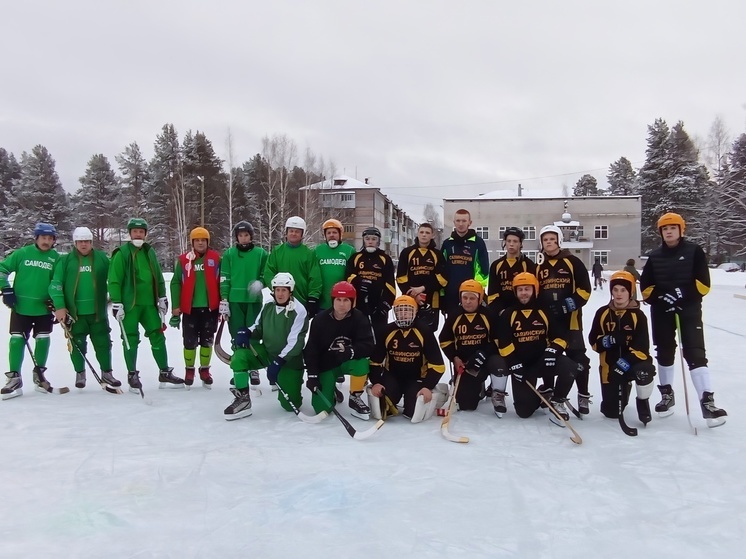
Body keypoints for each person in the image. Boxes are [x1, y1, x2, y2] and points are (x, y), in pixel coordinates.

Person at [640, 212, 727, 427]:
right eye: (665, 229)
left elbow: (703, 284)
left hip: (688, 310)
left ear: (681, 230)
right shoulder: (654, 256)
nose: (669, 232)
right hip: (662, 311)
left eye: (673, 228)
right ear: (661, 232)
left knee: (695, 352)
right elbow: (646, 287)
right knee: (664, 351)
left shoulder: (694, 251)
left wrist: (681, 294)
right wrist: (661, 298)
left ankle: (707, 401)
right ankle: (667, 395)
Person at [108, 218, 183, 392]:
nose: (138, 234)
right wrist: (117, 302)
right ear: (130, 233)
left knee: (157, 335)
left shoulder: (149, 252)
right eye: (135, 231)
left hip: (149, 304)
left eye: (141, 231)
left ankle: (164, 371)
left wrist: (162, 297)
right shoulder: (122, 253)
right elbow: (114, 280)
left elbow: (157, 274)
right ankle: (132, 374)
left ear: (146, 234)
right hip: (130, 305)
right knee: (130, 339)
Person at [496, 272, 579, 423]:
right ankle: (543, 394)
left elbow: (562, 336)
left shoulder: (545, 311)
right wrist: (513, 363)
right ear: (515, 292)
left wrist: (553, 350)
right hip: (522, 367)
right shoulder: (508, 314)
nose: (523, 293)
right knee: (523, 412)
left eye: (527, 289)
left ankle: (557, 401)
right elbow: (503, 343)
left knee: (570, 366)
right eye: (520, 290)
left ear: (535, 290)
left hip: (543, 361)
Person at [224, 273, 309, 420]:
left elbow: (295, 343)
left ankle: (292, 383)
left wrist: (279, 362)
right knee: (239, 356)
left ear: (290, 291)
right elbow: (258, 327)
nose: (280, 294)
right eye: (277, 290)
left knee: (289, 406)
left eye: (284, 290)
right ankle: (243, 399)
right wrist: (247, 332)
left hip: (288, 361)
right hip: (268, 353)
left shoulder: (299, 310)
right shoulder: (268, 305)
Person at [48, 226, 119, 390]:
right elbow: (55, 284)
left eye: (87, 241)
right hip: (75, 314)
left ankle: (107, 373)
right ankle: (80, 373)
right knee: (77, 344)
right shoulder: (65, 261)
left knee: (103, 343)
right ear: (75, 243)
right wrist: (59, 306)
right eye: (80, 242)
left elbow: (115, 277)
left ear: (91, 242)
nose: (84, 245)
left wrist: (117, 297)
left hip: (97, 313)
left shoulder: (102, 258)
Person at [536, 225, 592, 414]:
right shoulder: (540, 266)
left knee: (579, 359)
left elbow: (584, 290)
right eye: (545, 240)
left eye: (552, 239)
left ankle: (583, 395)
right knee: (549, 355)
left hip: (571, 321)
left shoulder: (572, 262)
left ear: (559, 241)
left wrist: (566, 305)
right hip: (549, 323)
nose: (549, 243)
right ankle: (550, 389)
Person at [0, 223, 61, 398]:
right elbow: (2, 269)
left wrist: (56, 301)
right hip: (21, 306)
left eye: (50, 239)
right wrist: (6, 289)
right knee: (16, 340)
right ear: (36, 238)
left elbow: (58, 282)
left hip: (43, 308)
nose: (46, 241)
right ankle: (14, 378)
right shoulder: (22, 253)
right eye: (43, 238)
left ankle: (39, 376)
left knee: (43, 340)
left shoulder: (56, 258)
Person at [588, 271, 655, 423]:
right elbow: (593, 342)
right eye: (615, 290)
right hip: (610, 368)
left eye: (623, 290)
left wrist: (623, 364)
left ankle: (643, 402)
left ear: (630, 292)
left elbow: (643, 349)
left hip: (631, 364)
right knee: (611, 412)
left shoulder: (638, 316)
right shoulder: (602, 313)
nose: (619, 294)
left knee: (645, 371)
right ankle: (624, 388)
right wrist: (609, 340)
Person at [303, 281, 375, 419]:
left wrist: (351, 351)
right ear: (333, 300)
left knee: (362, 362)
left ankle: (355, 397)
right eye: (338, 299)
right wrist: (312, 376)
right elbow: (311, 349)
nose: (342, 304)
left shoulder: (359, 318)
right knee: (321, 409)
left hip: (348, 362)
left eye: (346, 300)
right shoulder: (320, 320)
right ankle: (332, 391)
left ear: (352, 302)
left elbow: (368, 345)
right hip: (327, 365)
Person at [368, 295, 447, 421]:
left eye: (407, 310)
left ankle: (439, 393)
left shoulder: (424, 331)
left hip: (417, 379)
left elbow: (438, 365)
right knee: (381, 410)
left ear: (415, 312)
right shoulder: (386, 331)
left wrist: (427, 386)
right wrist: (376, 382)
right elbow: (375, 362)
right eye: (400, 311)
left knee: (413, 414)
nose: (403, 314)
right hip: (393, 377)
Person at [219, 221, 268, 389]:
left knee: (253, 334)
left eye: (246, 235)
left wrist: (261, 283)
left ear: (251, 236)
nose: (244, 238)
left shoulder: (261, 253)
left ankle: (254, 368)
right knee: (237, 335)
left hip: (253, 300)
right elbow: (224, 277)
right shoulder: (229, 254)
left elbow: (266, 273)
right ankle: (240, 368)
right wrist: (224, 299)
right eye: (240, 236)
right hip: (234, 300)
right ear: (236, 238)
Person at [438, 280, 501, 412]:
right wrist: (454, 358)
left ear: (479, 298)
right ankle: (477, 387)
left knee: (497, 362)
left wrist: (484, 353)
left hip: (483, 361)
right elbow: (444, 340)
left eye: (472, 298)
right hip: (464, 365)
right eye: (465, 297)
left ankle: (495, 389)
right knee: (467, 405)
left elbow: (498, 340)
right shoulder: (455, 315)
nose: (468, 301)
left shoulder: (488, 315)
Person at [170, 227, 221, 388]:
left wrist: (223, 302)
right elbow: (176, 282)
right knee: (189, 342)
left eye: (203, 240)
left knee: (207, 341)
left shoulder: (216, 259)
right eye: (197, 240)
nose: (200, 243)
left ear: (207, 242)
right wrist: (176, 305)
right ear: (192, 242)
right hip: (190, 309)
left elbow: (222, 281)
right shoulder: (185, 260)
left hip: (210, 309)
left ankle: (204, 370)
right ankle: (189, 369)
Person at [346, 226, 396, 345]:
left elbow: (390, 285)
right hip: (359, 306)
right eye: (367, 239)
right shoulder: (356, 257)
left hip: (378, 307)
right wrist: (360, 282)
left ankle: (377, 362)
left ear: (378, 241)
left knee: (378, 338)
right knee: (358, 336)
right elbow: (348, 277)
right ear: (364, 240)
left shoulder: (385, 259)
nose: (370, 241)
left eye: (373, 239)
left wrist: (385, 305)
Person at [263, 216, 322, 315]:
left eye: (297, 231)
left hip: (301, 299)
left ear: (302, 234)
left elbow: (315, 277)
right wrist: (277, 291)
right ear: (286, 232)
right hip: (280, 300)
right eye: (291, 231)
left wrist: (313, 297)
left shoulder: (308, 254)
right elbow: (268, 272)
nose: (293, 233)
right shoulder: (277, 251)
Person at [396, 222, 448, 332]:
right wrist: (413, 294)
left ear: (432, 235)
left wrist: (423, 288)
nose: (424, 235)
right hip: (410, 299)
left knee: (429, 332)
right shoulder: (407, 252)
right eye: (422, 232)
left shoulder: (437, 254)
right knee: (409, 331)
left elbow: (442, 279)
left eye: (427, 233)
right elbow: (401, 277)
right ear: (417, 234)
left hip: (432, 300)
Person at [441, 209, 489, 318]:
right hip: (451, 295)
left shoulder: (478, 243)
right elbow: (441, 270)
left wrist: (478, 292)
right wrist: (442, 294)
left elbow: (484, 270)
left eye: (464, 221)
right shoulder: (447, 244)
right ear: (454, 222)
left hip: (471, 296)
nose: (461, 224)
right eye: (458, 221)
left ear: (470, 223)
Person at [487, 226, 537, 316]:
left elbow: (532, 292)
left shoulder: (528, 264)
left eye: (515, 241)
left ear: (521, 244)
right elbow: (492, 294)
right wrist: (501, 311)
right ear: (505, 242)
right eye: (508, 241)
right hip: (501, 312)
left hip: (522, 310)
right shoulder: (496, 265)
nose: (511, 244)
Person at [314, 219, 355, 312]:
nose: (331, 235)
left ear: (340, 234)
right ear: (325, 235)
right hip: (322, 302)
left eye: (334, 232)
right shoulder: (317, 250)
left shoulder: (349, 250)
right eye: (328, 233)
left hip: (343, 302)